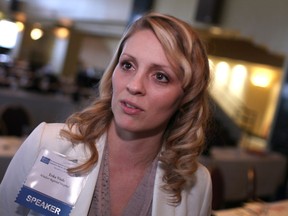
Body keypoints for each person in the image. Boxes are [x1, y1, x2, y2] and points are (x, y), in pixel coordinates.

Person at [0, 12, 212, 216]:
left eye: (160, 76)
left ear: (187, 96)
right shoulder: (48, 144)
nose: (134, 85)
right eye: (128, 65)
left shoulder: (197, 184)